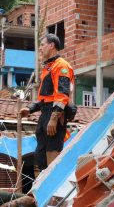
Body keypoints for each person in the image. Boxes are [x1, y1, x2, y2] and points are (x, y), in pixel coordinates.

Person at [20, 34, 75, 173]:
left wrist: (54, 118)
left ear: (51, 45)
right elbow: (45, 98)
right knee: (40, 155)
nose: (40, 48)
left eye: (42, 45)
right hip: (45, 113)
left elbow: (62, 94)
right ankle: (42, 191)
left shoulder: (61, 65)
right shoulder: (48, 68)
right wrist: (30, 109)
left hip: (55, 114)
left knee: (52, 154)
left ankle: (53, 192)